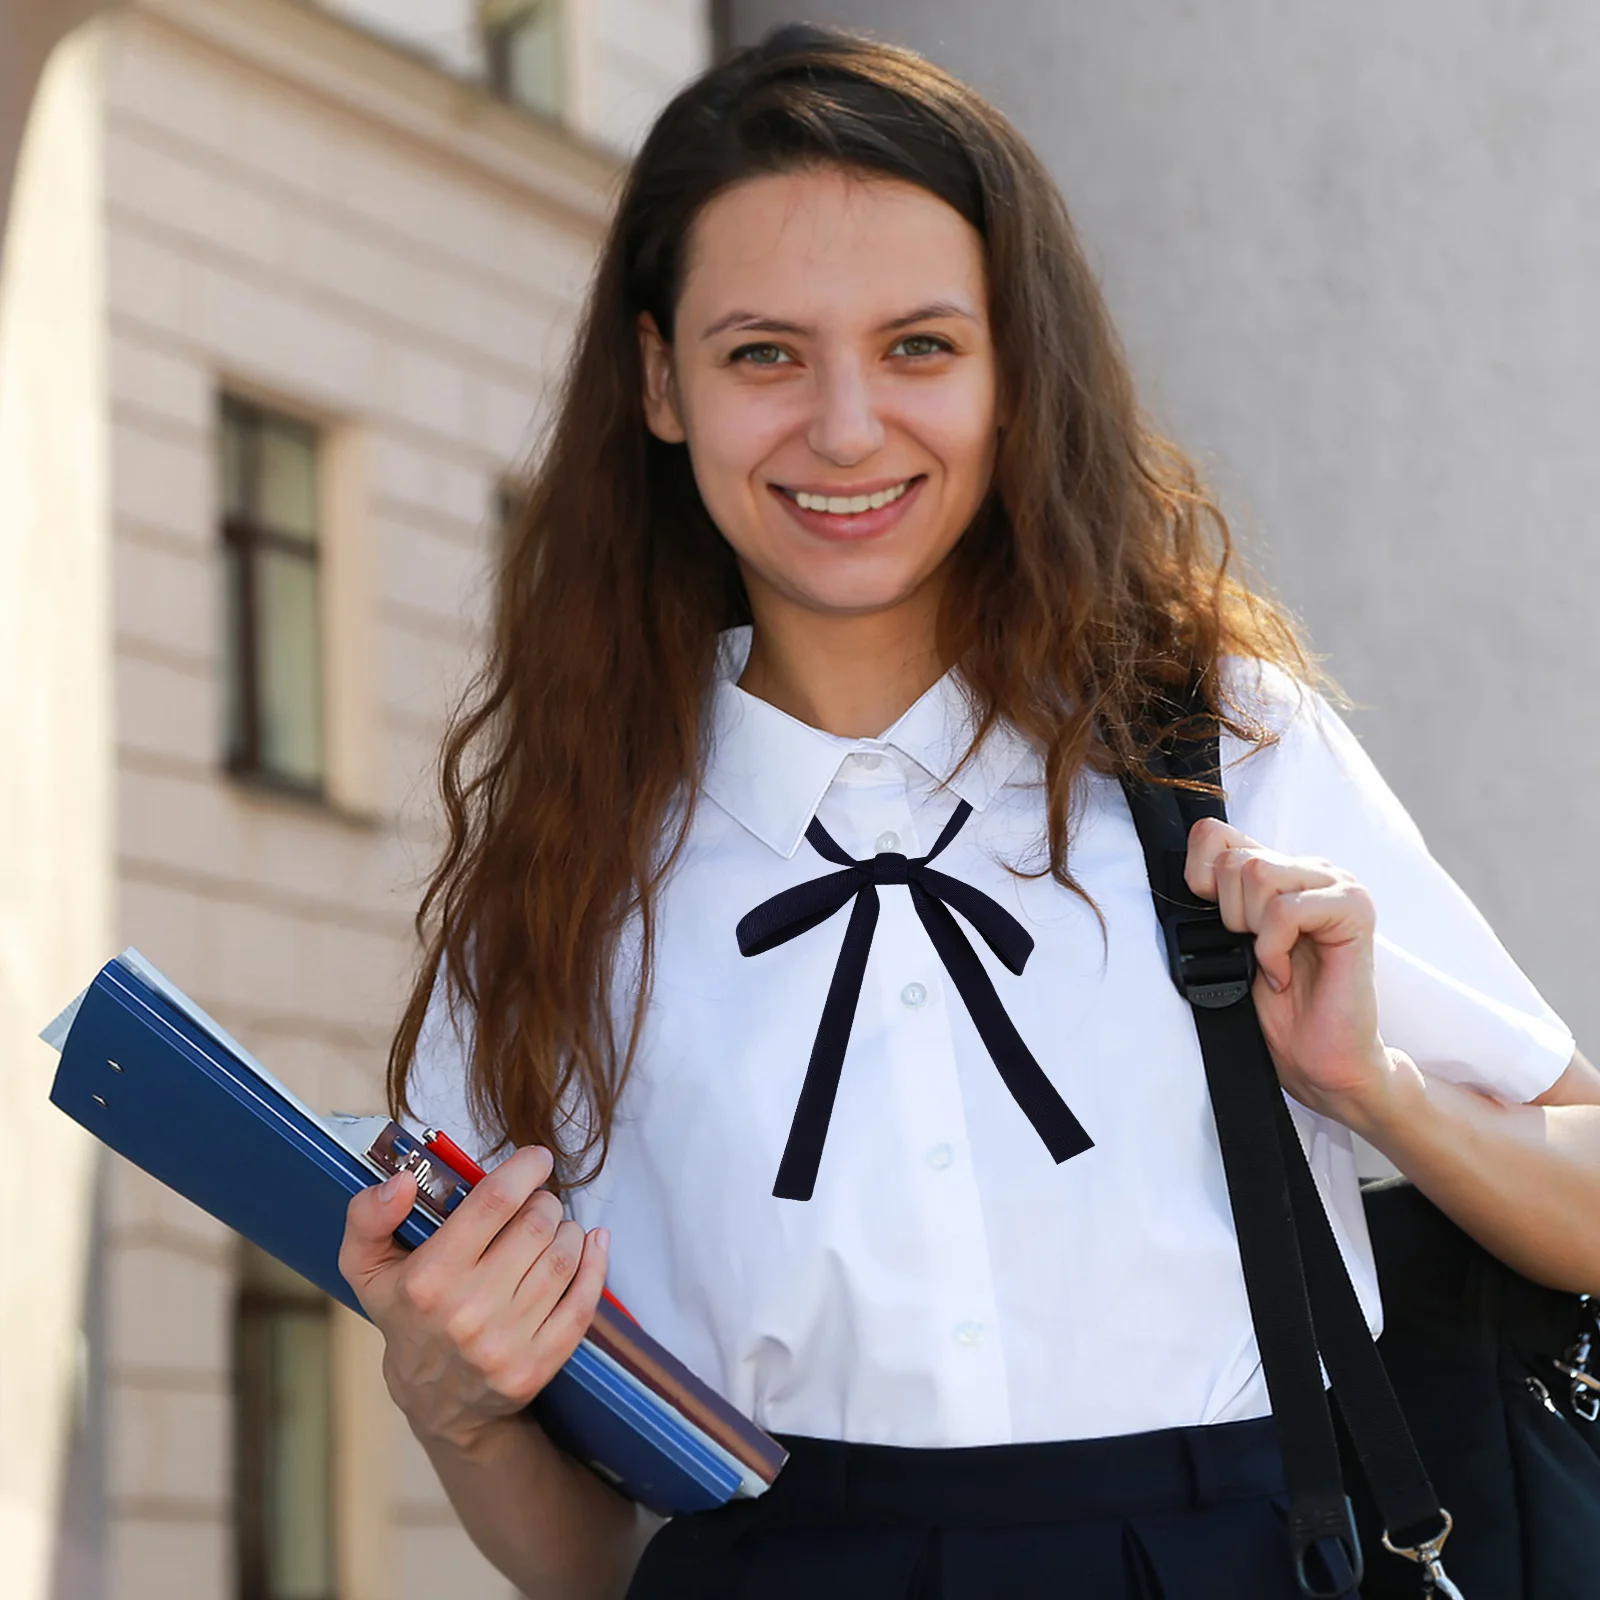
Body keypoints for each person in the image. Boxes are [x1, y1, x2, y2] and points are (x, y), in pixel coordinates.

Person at [336, 24, 1600, 1599]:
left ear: (1014, 375)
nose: (848, 427)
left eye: (922, 346)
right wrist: (457, 1408)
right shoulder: (573, 859)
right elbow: (596, 1564)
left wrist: (1382, 1090)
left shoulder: (1210, 739)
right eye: (763, 354)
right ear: (661, 381)